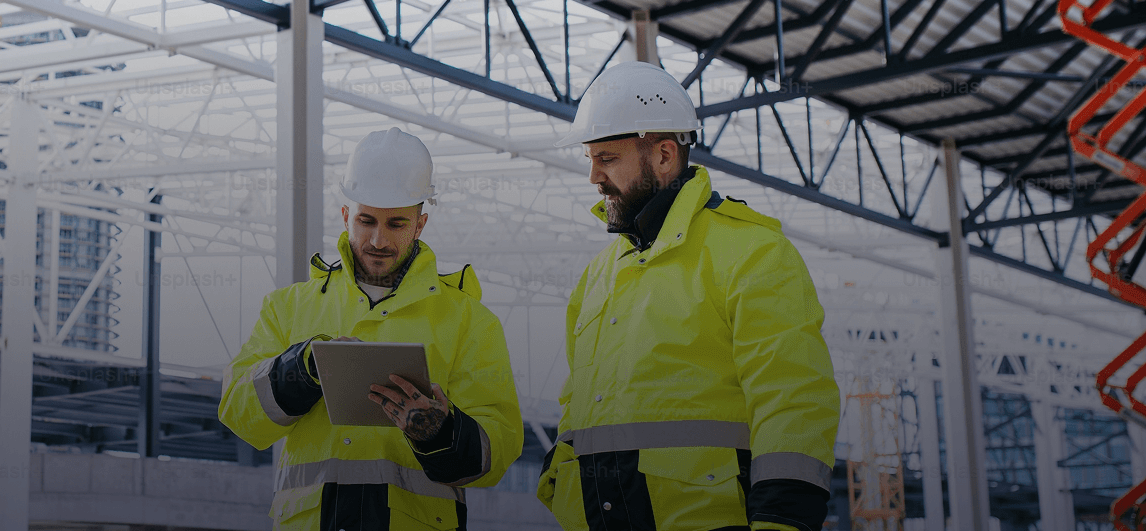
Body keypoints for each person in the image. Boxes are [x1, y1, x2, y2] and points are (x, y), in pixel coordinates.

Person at [538, 61, 839, 531]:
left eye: (608, 158)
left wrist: (783, 520)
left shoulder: (753, 253)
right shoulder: (598, 275)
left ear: (662, 155)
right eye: (590, 159)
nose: (594, 177)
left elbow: (794, 402)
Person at [220, 127, 522, 531]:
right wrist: (302, 368)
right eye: (366, 221)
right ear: (346, 217)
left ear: (420, 224)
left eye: (396, 223)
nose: (378, 240)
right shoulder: (288, 308)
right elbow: (238, 412)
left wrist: (441, 434)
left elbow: (496, 453)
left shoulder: (469, 321)